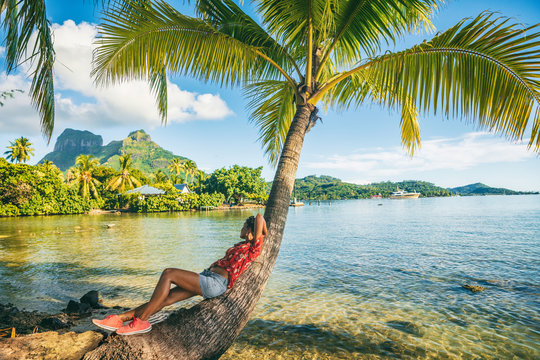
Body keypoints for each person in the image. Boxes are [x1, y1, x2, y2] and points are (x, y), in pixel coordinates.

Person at [92, 213, 267, 335]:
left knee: (168, 273)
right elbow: (259, 225)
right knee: (164, 299)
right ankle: (120, 319)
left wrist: (259, 234)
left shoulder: (252, 249)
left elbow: (260, 218)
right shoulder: (241, 245)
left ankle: (142, 321)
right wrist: (255, 233)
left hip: (215, 284)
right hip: (207, 277)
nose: (242, 228)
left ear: (251, 233)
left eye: (244, 226)